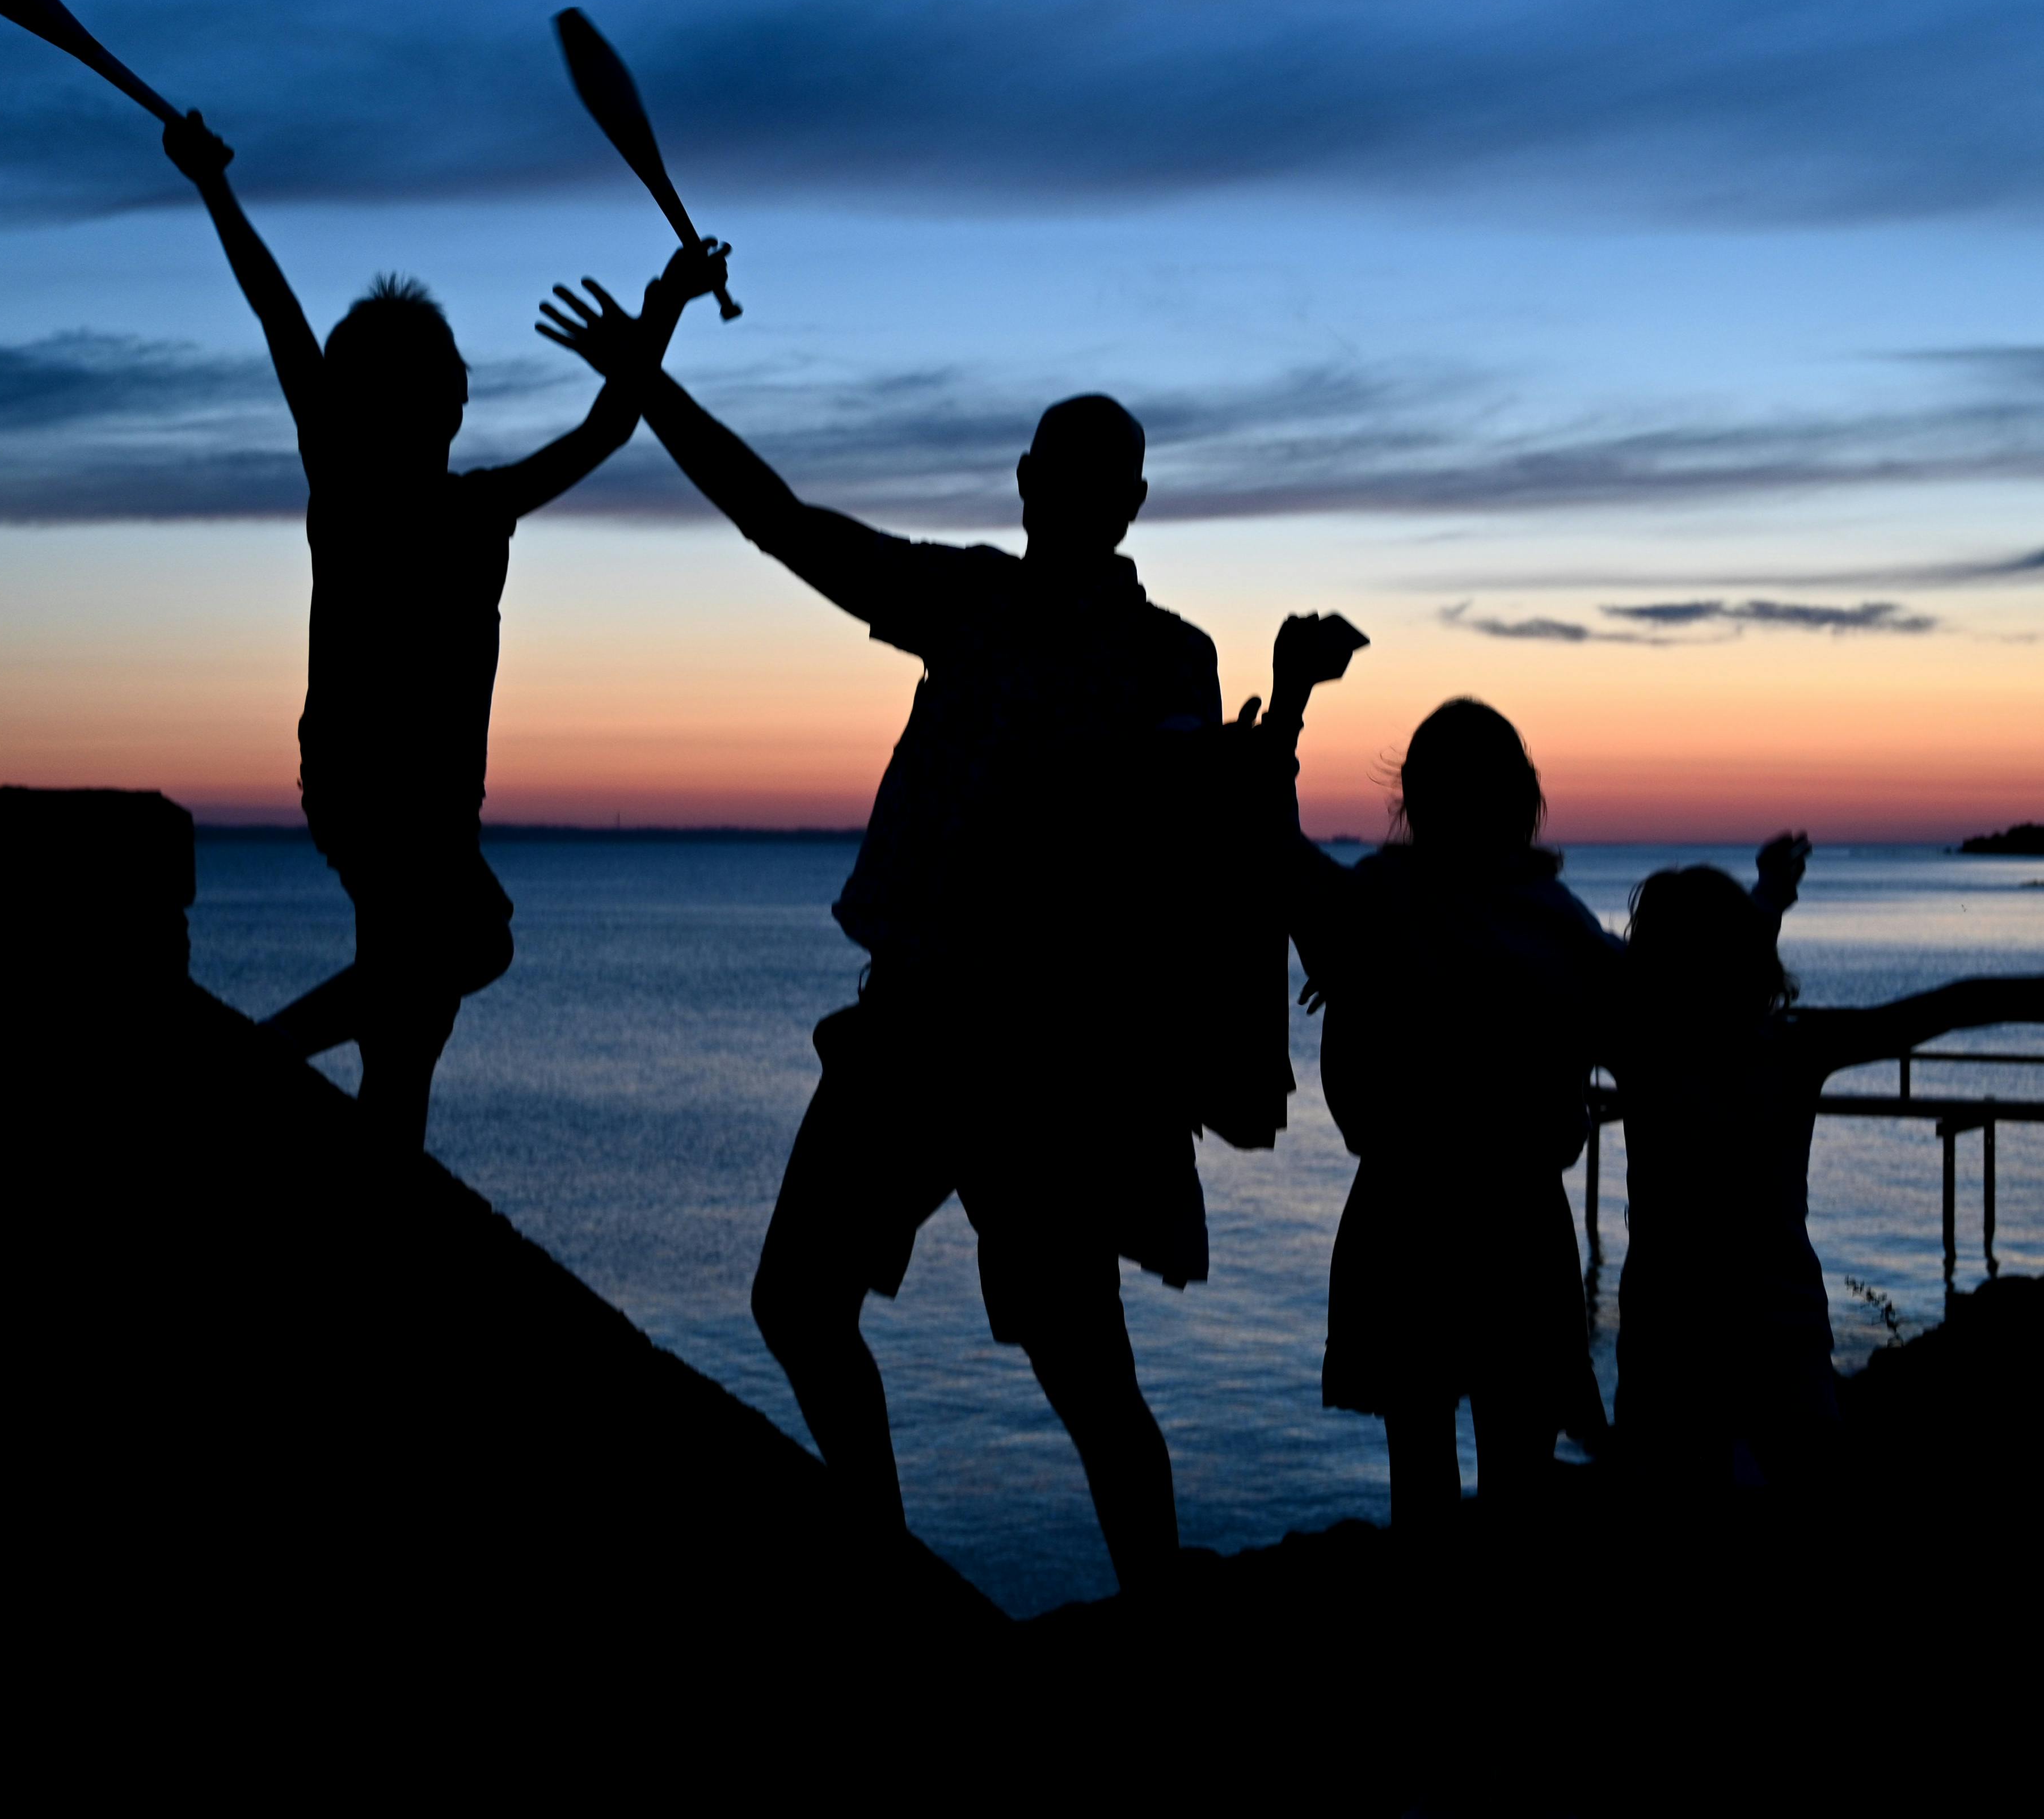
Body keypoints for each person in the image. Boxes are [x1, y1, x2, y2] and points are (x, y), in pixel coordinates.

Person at [536, 277, 1219, 1591]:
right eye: (1060, 472)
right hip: (913, 1021)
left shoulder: (1164, 657)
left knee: (1080, 1367)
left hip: (1047, 1059)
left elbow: (1190, 845)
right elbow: (782, 525)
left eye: (1099, 479)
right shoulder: (968, 600)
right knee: (801, 1304)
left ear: (1128, 502)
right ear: (1027, 482)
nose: (1073, 495)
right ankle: (891, 1567)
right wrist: (652, 383)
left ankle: (1149, 1610)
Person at [163, 110, 728, 1147]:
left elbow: (608, 424)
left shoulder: (452, 501)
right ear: (448, 405)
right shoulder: (385, 488)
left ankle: (373, 1164)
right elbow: (278, 313)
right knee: (466, 947)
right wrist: (214, 188)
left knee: (412, 1020)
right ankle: (263, 1051)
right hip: (372, 784)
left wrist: (663, 307)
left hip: (418, 792)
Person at [1272, 655, 1619, 1531]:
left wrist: (1289, 703)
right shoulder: (1557, 920)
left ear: (1412, 799)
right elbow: (1663, 1018)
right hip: (1518, 1220)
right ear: (1523, 798)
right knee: (1517, 1478)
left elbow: (1269, 845)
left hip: (1406, 1214)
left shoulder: (1375, 902)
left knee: (1420, 1474)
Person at [1614, 852, 2042, 1500]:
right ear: (1753, 962)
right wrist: (1767, 900)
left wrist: (1768, 898)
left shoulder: (1643, 1055)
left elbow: (1696, 972)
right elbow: (1956, 1003)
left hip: (1667, 1333)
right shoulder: (1793, 1051)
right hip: (1781, 1333)